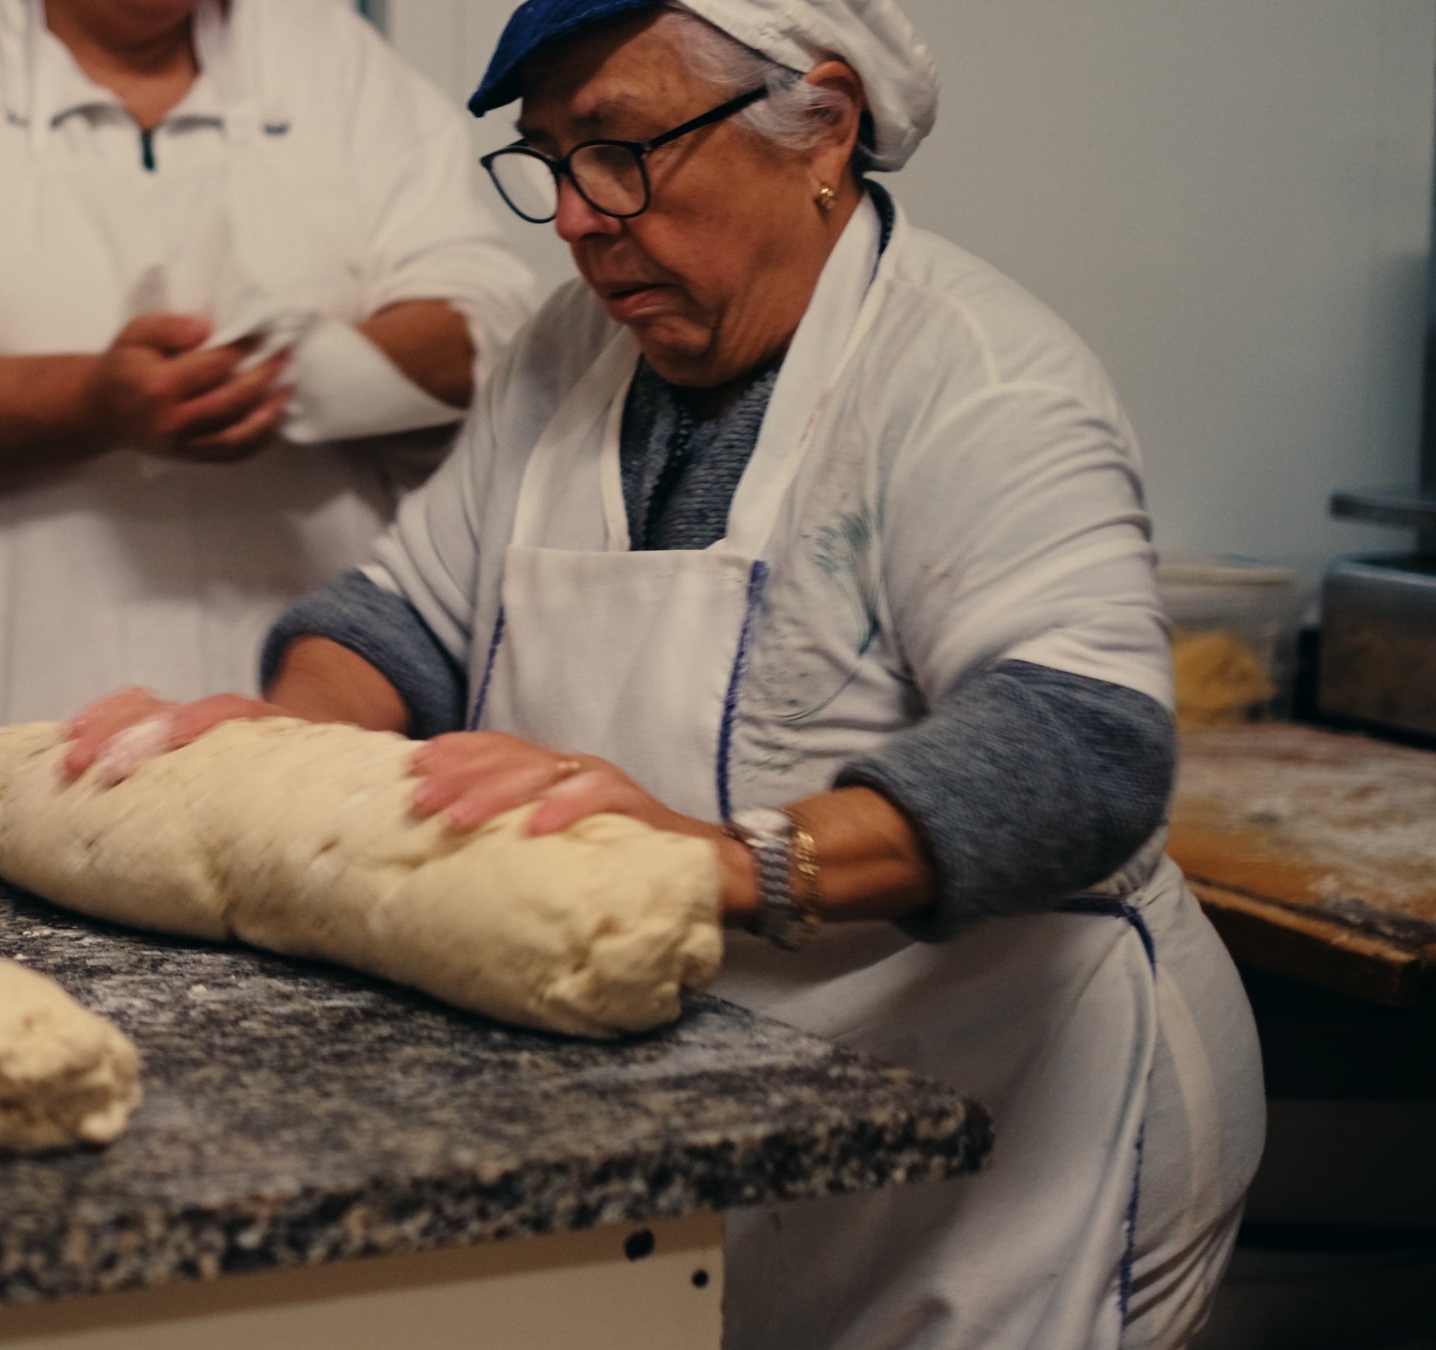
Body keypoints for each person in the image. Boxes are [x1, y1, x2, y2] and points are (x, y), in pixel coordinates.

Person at [63, 0, 1265, 1345]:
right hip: (725, 1119)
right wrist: (275, 750)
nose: (577, 217)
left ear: (824, 124)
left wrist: (724, 862)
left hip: (1011, 1125)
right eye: (551, 160)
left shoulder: (977, 384)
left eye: (620, 148)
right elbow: (403, 615)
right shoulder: (561, 357)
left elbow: (1079, 746)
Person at [0, 0, 535, 831]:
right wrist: (95, 406)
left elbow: (493, 336)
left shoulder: (339, 62)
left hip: (305, 741)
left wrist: (305, 372)